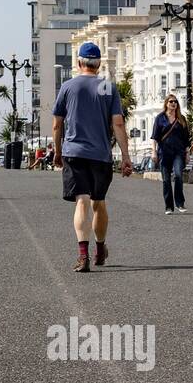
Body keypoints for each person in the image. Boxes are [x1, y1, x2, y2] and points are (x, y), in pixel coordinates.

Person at [52, 42, 132, 273]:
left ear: (79, 63)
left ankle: (83, 255)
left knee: (82, 201)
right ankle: (100, 249)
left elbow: (57, 125)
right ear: (99, 65)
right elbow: (118, 123)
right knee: (99, 202)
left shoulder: (68, 87)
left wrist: (57, 152)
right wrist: (125, 156)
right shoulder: (108, 87)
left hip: (74, 153)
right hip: (101, 155)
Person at [151, 93, 191, 214]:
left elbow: (186, 138)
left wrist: (187, 153)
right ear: (166, 104)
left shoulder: (181, 119)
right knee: (166, 180)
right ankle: (168, 206)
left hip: (178, 152)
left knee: (178, 175)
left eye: (175, 102)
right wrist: (154, 152)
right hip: (164, 153)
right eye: (171, 102)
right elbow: (155, 137)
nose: (173, 104)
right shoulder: (160, 118)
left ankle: (180, 203)